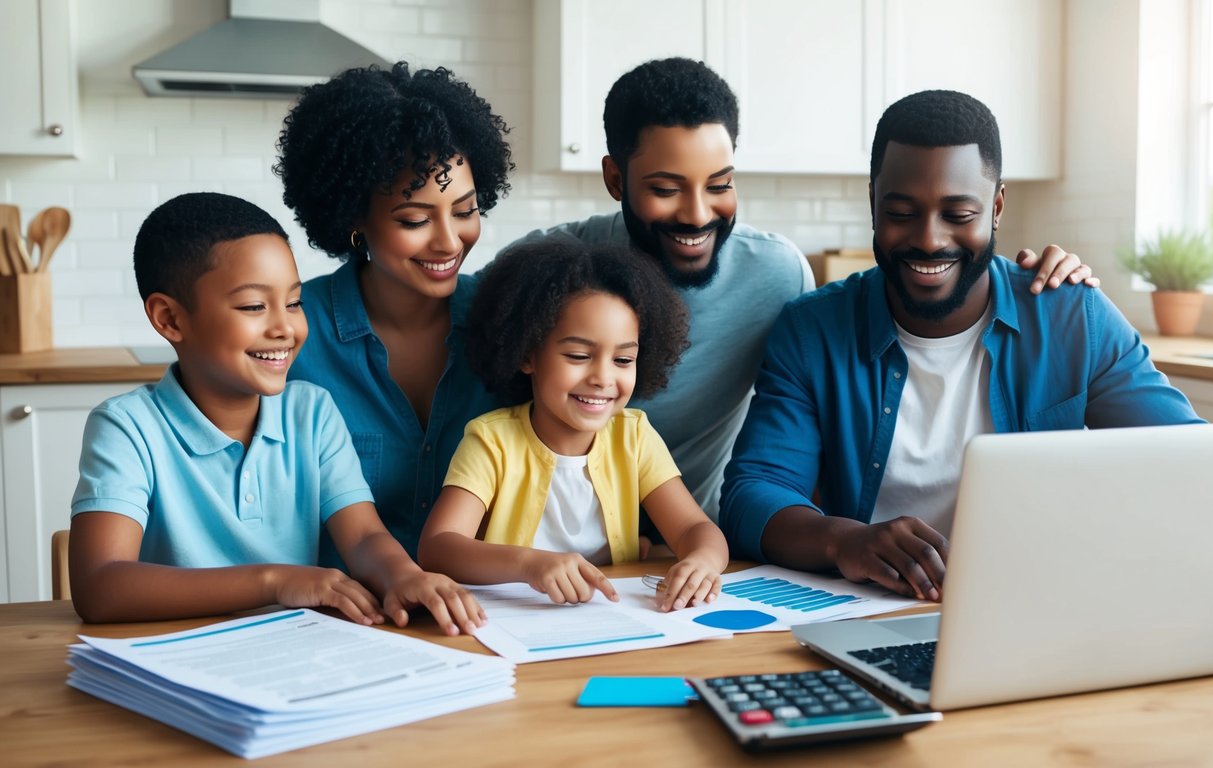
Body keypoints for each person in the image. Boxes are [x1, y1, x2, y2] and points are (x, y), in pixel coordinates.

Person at [719, 89, 1213, 659]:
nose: (929, 240)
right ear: (873, 204)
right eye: (901, 212)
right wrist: (845, 541)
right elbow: (753, 494)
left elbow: (1193, 466)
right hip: (870, 621)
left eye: (958, 213)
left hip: (1046, 615)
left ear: (997, 206)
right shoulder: (813, 329)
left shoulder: (1071, 315)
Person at [504, 57, 1098, 521]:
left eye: (719, 184)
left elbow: (769, 462)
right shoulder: (547, 274)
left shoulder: (777, 277)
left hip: (693, 548)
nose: (697, 214)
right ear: (615, 178)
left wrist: (1055, 281)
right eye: (665, 187)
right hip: (542, 546)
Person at [67, 193, 484, 635]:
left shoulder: (312, 412)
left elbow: (363, 537)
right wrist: (277, 581)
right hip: (173, 662)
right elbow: (100, 585)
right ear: (169, 319)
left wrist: (405, 576)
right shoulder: (128, 428)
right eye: (253, 307)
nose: (284, 327)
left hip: (295, 655)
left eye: (294, 302)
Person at [274, 62, 514, 564]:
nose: (450, 241)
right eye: (414, 219)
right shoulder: (293, 334)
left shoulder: (509, 322)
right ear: (353, 218)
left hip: (485, 614)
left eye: (466, 211)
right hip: (338, 618)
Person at [417, 241, 729, 612]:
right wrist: (529, 564)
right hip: (512, 623)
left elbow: (696, 529)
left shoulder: (634, 436)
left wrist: (702, 561)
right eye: (579, 356)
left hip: (614, 622)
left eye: (623, 359)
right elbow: (437, 547)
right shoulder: (491, 440)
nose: (603, 378)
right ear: (528, 355)